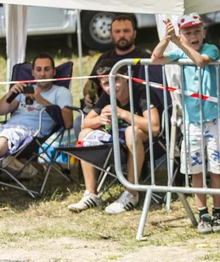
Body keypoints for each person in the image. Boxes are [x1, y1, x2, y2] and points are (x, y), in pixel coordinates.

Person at [151, 14, 220, 234]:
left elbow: (200, 60)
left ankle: (217, 212)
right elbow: (155, 58)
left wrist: (178, 43)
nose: (193, 36)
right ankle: (202, 213)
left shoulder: (211, 48)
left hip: (214, 119)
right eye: (187, 33)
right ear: (181, 34)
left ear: (204, 32)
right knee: (196, 168)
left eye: (197, 31)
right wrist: (167, 39)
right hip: (192, 121)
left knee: (216, 168)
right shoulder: (178, 50)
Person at [68, 59, 161, 214]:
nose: (112, 86)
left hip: (145, 144)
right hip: (115, 142)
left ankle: (131, 193)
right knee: (84, 133)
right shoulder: (107, 95)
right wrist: (100, 120)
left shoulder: (142, 92)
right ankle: (91, 194)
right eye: (105, 83)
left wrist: (122, 114)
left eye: (116, 79)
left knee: (131, 131)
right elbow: (85, 124)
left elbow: (155, 126)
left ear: (125, 76)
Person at [0, 53, 73, 166]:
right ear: (33, 73)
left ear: (54, 72)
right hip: (6, 126)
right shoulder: (25, 89)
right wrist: (11, 94)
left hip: (31, 133)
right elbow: (0, 111)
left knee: (5, 137)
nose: (43, 74)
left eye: (47, 69)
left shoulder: (61, 92)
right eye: (38, 70)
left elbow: (68, 123)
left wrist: (39, 98)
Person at [75, 15, 152, 133]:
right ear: (111, 34)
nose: (122, 35)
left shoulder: (146, 58)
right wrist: (89, 95)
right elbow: (91, 85)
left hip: (139, 110)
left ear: (134, 33)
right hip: (106, 109)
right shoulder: (104, 58)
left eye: (126, 31)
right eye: (117, 31)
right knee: (78, 123)